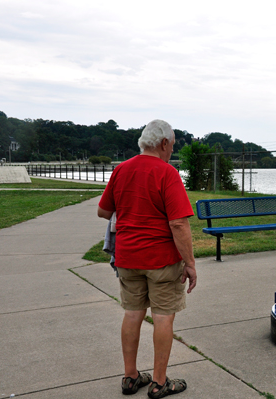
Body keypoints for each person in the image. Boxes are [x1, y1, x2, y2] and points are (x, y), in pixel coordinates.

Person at [97, 119, 197, 398]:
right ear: (164, 143)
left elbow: (103, 212)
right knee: (163, 318)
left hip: (127, 258)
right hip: (161, 259)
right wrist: (189, 263)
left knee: (132, 314)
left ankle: (130, 377)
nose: (171, 152)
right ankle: (159, 382)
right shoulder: (167, 173)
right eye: (172, 146)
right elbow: (179, 223)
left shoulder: (121, 170)